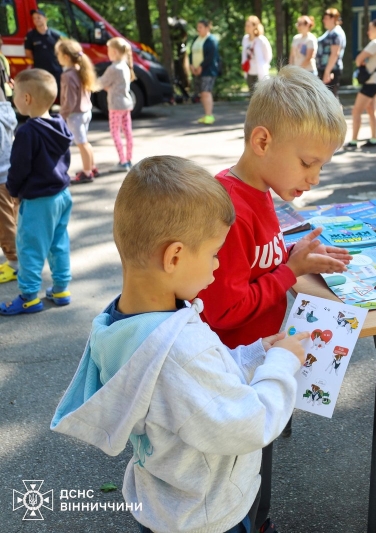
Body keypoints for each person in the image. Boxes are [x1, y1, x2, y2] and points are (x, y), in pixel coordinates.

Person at [50, 155, 309, 533]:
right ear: (174, 256)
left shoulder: (123, 323)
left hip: (165, 503)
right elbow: (250, 424)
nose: (218, 266)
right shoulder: (179, 351)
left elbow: (201, 379)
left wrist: (255, 354)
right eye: (214, 253)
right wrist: (282, 365)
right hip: (206, 515)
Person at [196, 66, 350, 533]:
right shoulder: (227, 207)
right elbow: (224, 308)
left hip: (256, 361)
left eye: (321, 166)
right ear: (262, 142)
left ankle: (254, 518)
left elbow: (258, 262)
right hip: (231, 371)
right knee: (230, 473)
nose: (315, 178)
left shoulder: (263, 189)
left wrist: (293, 253)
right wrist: (290, 270)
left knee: (253, 466)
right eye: (308, 163)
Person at [0, 69, 72, 316]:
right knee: (58, 242)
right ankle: (61, 288)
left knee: (29, 246)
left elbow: (19, 167)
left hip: (39, 199)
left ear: (27, 99)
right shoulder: (59, 124)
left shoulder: (27, 131)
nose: (13, 99)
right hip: (61, 195)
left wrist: (13, 190)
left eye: (15, 95)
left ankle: (29, 297)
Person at [56, 39, 97, 184]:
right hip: (86, 111)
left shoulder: (67, 75)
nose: (57, 57)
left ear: (66, 57)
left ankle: (87, 173)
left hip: (75, 115)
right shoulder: (81, 69)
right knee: (85, 142)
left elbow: (70, 100)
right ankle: (91, 167)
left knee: (82, 143)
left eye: (58, 54)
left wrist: (62, 114)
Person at [347, 18, 376, 148]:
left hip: (370, 83)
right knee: (371, 110)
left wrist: (362, 64)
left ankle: (354, 140)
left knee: (356, 111)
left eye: (370, 29)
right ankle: (374, 138)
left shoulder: (375, 43)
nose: (367, 32)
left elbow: (359, 59)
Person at [97, 37, 135, 172]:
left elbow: (101, 82)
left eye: (108, 50)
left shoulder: (113, 68)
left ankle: (122, 162)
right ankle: (129, 159)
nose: (107, 53)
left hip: (115, 105)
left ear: (115, 52)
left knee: (115, 133)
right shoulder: (124, 66)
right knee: (127, 132)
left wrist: (88, 82)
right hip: (126, 104)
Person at [0, 52, 17, 285]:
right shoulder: (6, 108)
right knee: (10, 217)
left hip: (1, 175)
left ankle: (14, 262)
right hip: (9, 174)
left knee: (5, 222)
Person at [24, 9, 62, 98]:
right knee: (42, 95)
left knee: (59, 94)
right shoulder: (30, 36)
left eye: (38, 18)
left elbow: (61, 51)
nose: (36, 20)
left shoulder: (55, 35)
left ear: (45, 19)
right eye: (34, 18)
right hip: (40, 72)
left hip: (56, 70)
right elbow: (28, 53)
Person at [189, 19, 220, 125]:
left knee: (206, 92)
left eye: (200, 27)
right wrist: (192, 65)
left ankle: (209, 115)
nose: (198, 30)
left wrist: (201, 67)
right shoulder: (196, 39)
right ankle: (206, 114)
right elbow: (191, 53)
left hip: (208, 70)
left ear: (207, 28)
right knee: (202, 93)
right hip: (197, 70)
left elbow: (210, 56)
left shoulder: (211, 40)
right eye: (197, 27)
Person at [317, 8, 347, 99]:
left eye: (326, 18)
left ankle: (338, 114)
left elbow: (335, 54)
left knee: (332, 99)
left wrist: (327, 72)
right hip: (325, 70)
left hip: (331, 70)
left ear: (333, 18)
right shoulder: (329, 32)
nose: (323, 20)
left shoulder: (336, 33)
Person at [242, 15, 273, 96]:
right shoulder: (245, 39)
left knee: (262, 95)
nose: (247, 27)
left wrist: (263, 64)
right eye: (246, 25)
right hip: (249, 70)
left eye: (249, 25)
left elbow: (268, 55)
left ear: (254, 26)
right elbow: (244, 54)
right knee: (252, 95)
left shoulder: (261, 39)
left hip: (259, 71)